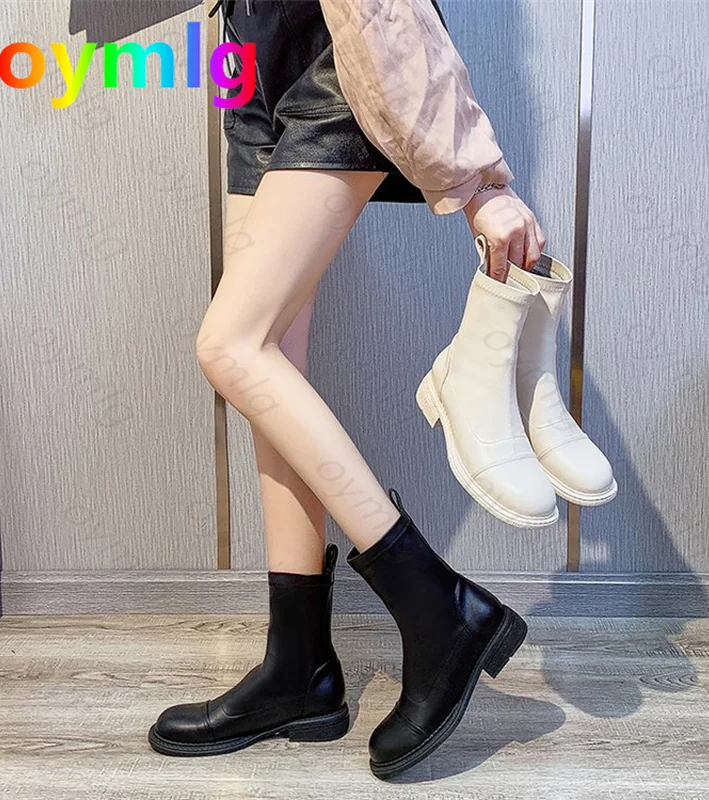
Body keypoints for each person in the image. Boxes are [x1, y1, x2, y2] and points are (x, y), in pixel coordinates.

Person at [147, 0, 546, 780]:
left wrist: (476, 182)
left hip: (337, 49)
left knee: (232, 346)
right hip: (246, 55)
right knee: (272, 363)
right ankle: (298, 668)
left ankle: (437, 607)